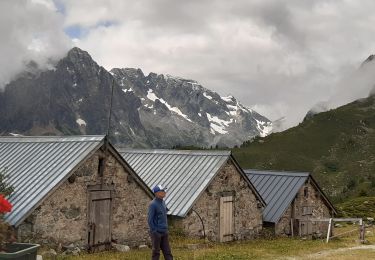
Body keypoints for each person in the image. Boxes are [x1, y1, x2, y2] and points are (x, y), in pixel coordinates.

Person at [148, 184, 173, 260]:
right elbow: (150, 220)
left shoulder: (163, 202)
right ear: (156, 193)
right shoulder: (153, 204)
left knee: (167, 252)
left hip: (164, 232)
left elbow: (163, 214)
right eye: (162, 191)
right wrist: (155, 231)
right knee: (156, 252)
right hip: (156, 233)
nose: (164, 192)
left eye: (164, 190)